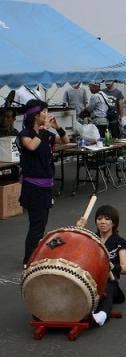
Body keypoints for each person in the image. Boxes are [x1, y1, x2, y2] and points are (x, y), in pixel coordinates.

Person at [17, 99, 70, 267]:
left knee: (41, 223)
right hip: (33, 186)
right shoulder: (25, 134)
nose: (48, 115)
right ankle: (28, 260)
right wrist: (44, 129)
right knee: (37, 224)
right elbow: (32, 146)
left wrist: (57, 127)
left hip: (47, 185)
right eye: (45, 112)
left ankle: (34, 255)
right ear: (35, 115)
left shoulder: (46, 135)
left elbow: (65, 141)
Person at [76, 205, 126, 327]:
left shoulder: (119, 242)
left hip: (109, 281)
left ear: (113, 223)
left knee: (107, 289)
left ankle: (101, 316)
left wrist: (111, 266)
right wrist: (78, 230)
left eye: (107, 219)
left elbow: (125, 269)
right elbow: (75, 250)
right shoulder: (91, 238)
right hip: (90, 280)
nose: (102, 222)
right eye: (99, 218)